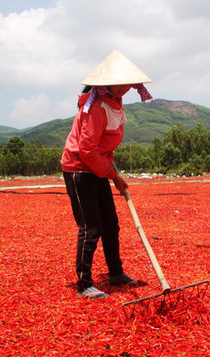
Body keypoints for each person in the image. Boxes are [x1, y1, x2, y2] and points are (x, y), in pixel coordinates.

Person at [61, 50, 153, 299]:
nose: (124, 87)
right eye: (119, 82)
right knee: (91, 227)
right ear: (106, 83)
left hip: (97, 167)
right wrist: (113, 175)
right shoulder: (97, 107)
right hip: (80, 169)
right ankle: (84, 284)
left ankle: (115, 273)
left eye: (127, 82)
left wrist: (110, 170)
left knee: (110, 224)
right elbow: (88, 150)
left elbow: (102, 147)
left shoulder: (114, 102)